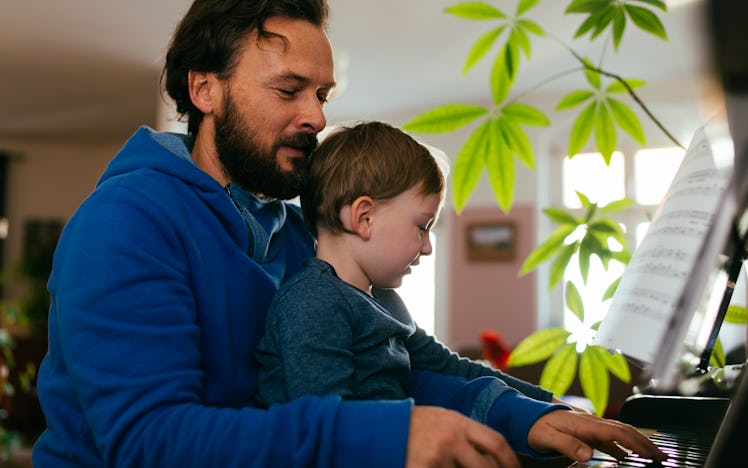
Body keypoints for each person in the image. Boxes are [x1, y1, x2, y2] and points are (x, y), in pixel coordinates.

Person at [31, 0, 665, 467]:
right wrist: (379, 437)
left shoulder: (300, 232)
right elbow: (150, 444)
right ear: (204, 90)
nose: (315, 115)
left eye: (322, 95)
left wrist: (520, 417)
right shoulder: (124, 225)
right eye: (288, 90)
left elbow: (393, 363)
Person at [254, 121, 666, 462]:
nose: (428, 246)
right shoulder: (312, 302)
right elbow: (331, 429)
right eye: (422, 226)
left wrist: (550, 406)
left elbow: (457, 368)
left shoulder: (385, 302)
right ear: (364, 217)